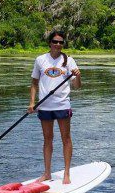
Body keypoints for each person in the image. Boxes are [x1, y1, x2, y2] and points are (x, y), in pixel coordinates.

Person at [28, 30, 81, 184]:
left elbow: (77, 86)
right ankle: (47, 173)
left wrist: (78, 75)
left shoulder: (69, 61)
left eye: (61, 42)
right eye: (55, 41)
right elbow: (34, 83)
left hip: (62, 105)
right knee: (47, 139)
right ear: (50, 43)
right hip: (44, 106)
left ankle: (66, 174)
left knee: (66, 138)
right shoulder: (40, 60)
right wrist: (32, 103)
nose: (58, 44)